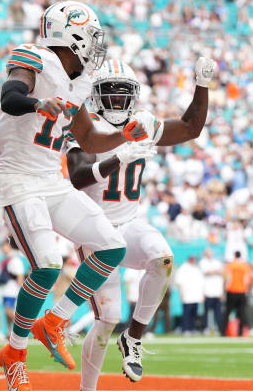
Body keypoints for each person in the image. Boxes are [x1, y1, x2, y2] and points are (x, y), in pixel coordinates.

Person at [0, 1, 151, 391]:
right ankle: (14, 352)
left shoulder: (82, 79)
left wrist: (122, 137)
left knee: (110, 246)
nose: (96, 45)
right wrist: (37, 103)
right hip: (19, 179)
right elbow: (10, 96)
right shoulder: (37, 60)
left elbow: (89, 138)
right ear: (71, 34)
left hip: (51, 178)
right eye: (92, 36)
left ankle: (56, 320)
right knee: (47, 266)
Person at [64, 56, 215, 387]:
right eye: (110, 93)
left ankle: (133, 338)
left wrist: (202, 85)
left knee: (162, 258)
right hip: (95, 230)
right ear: (95, 95)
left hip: (129, 222)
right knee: (107, 319)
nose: (118, 100)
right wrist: (118, 158)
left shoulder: (142, 123)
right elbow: (77, 177)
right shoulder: (86, 125)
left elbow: (191, 127)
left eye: (123, 93)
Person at [224, 251, 253, 337]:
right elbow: (248, 280)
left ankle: (223, 331)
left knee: (227, 312)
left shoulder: (229, 265)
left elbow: (226, 278)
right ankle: (241, 332)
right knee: (242, 313)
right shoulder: (245, 266)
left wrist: (224, 290)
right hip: (242, 291)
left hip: (231, 291)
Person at [175, 256, 204, 335]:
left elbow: (200, 282)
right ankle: (185, 329)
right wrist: (181, 293)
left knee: (194, 314)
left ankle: (193, 328)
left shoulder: (196, 269)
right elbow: (179, 282)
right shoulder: (183, 269)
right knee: (187, 313)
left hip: (196, 295)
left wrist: (202, 294)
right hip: (187, 295)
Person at [199, 249, 224, 335]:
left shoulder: (217, 262)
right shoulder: (203, 262)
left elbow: (222, 273)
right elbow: (206, 272)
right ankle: (206, 328)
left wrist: (222, 292)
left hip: (217, 292)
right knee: (207, 312)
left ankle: (218, 328)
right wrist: (216, 271)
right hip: (207, 291)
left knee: (218, 312)